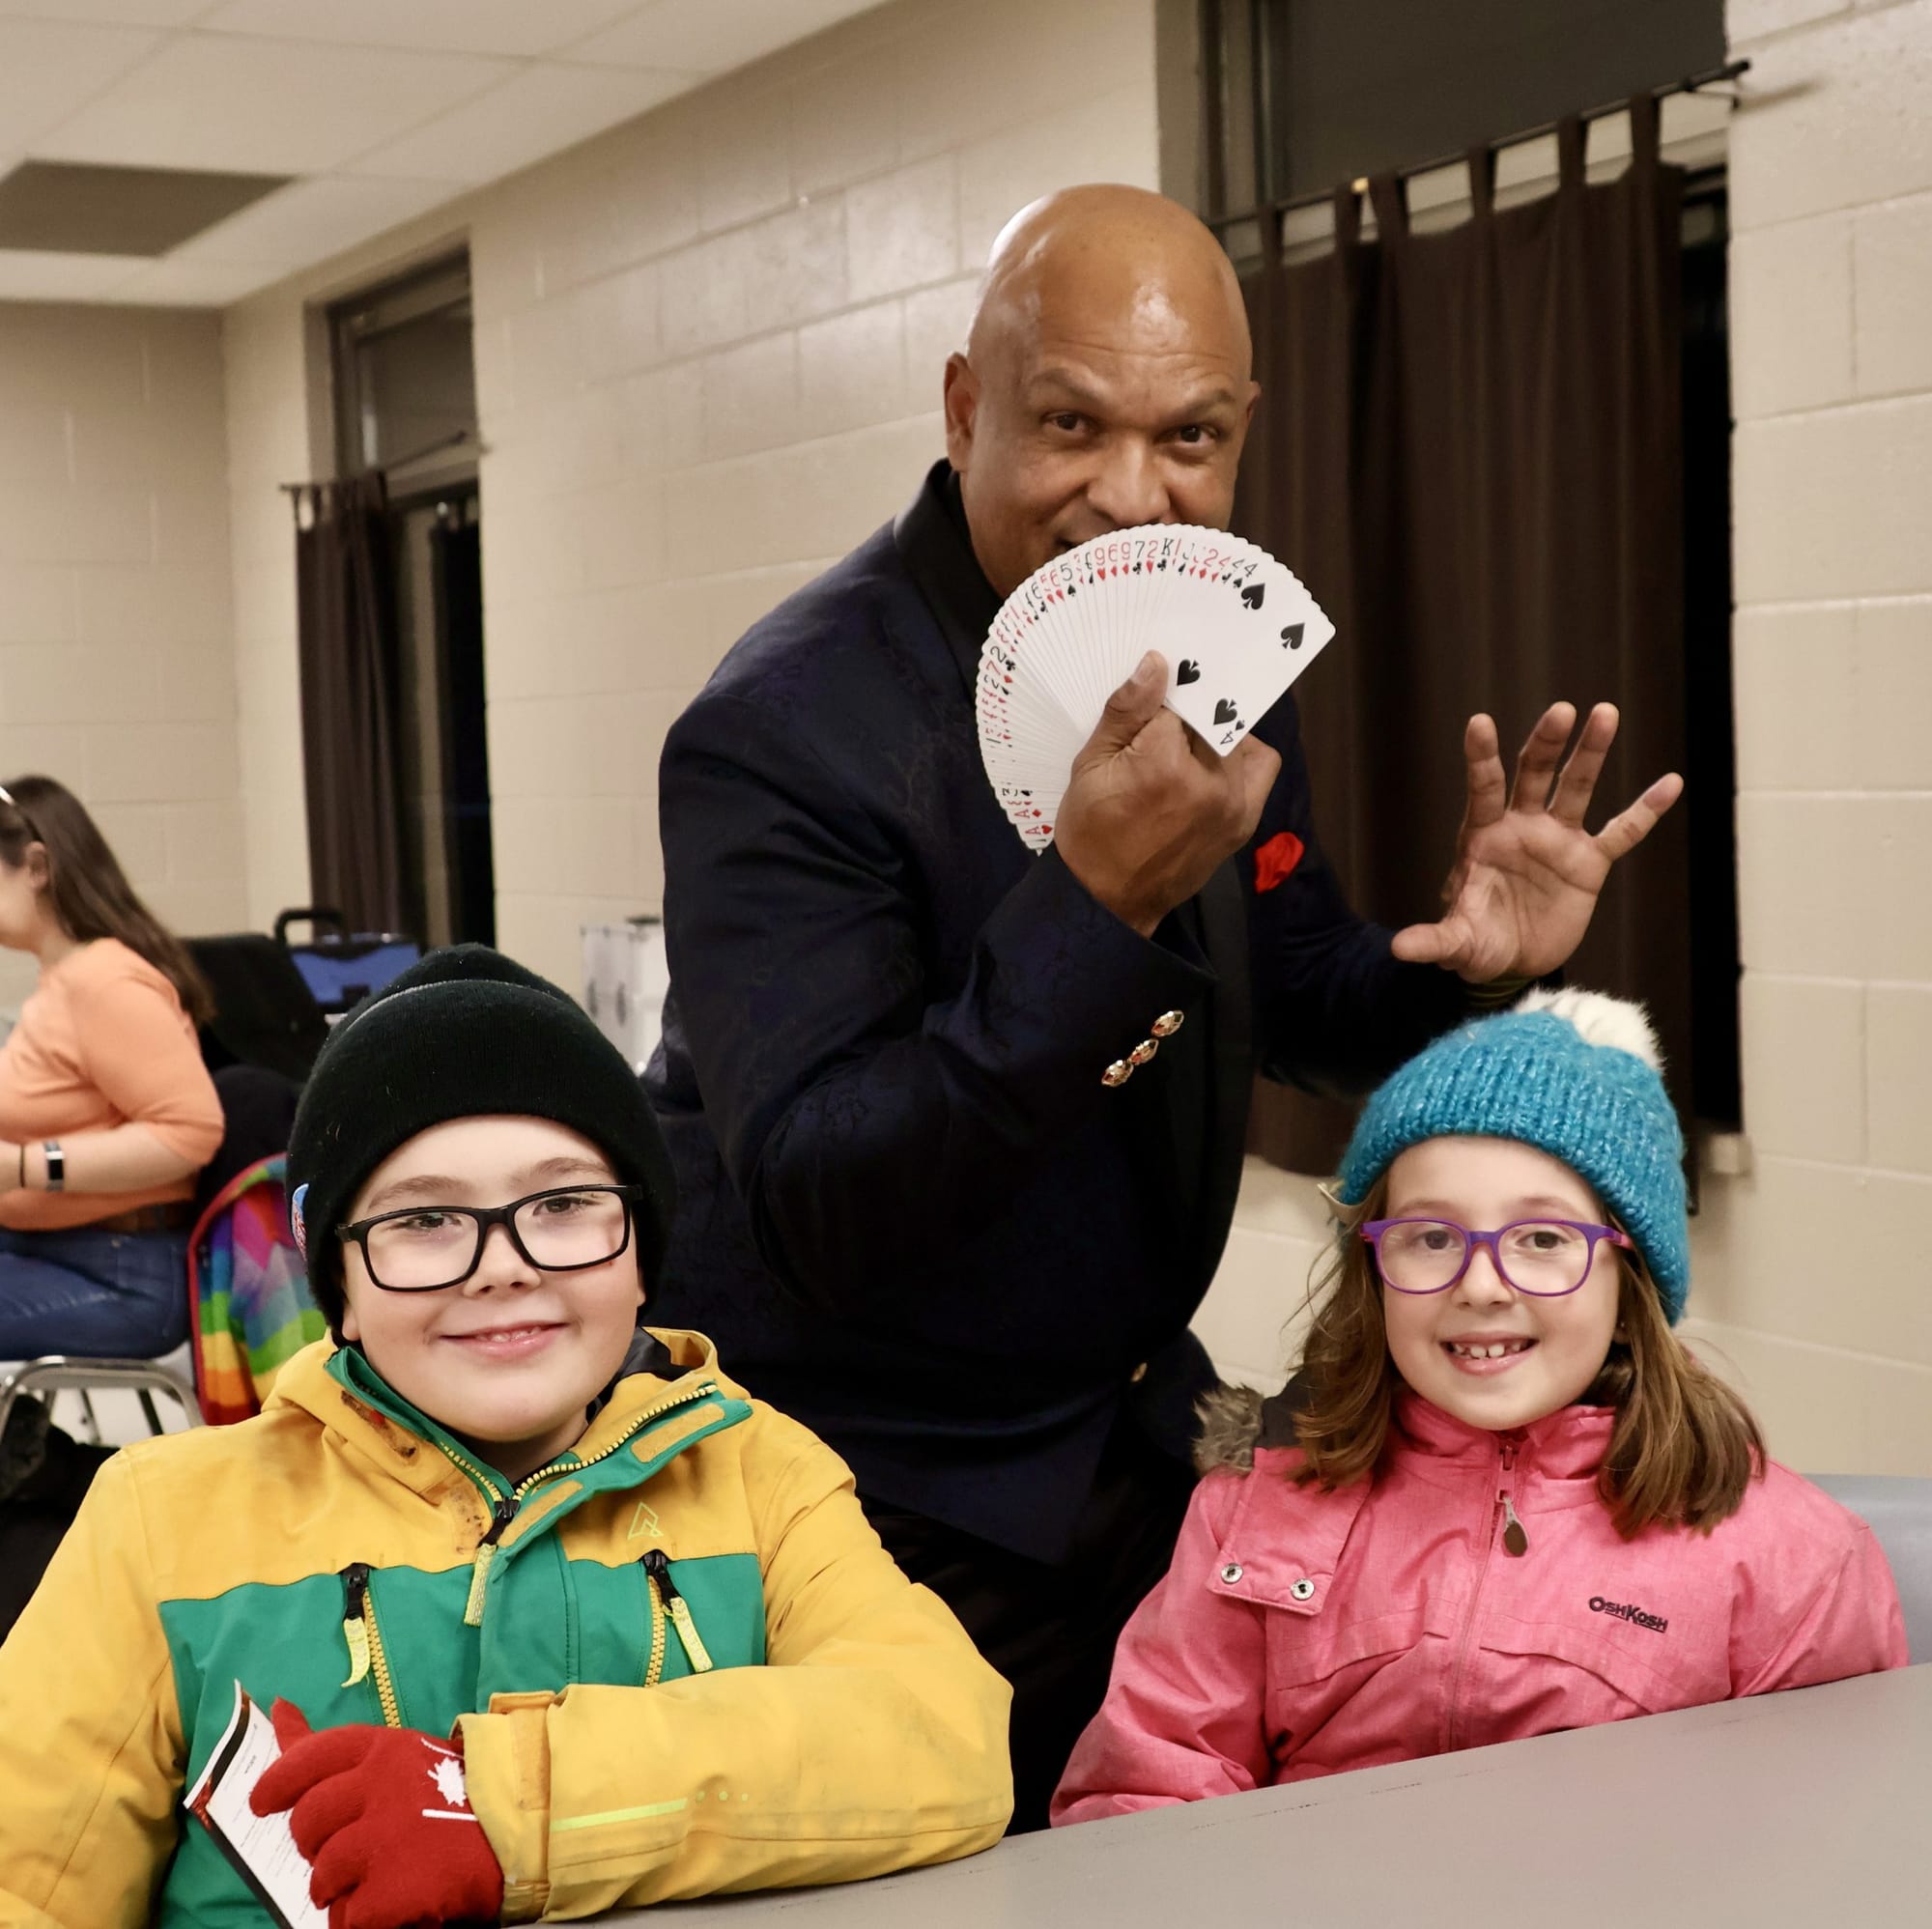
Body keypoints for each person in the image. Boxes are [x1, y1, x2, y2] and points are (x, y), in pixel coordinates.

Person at [645, 183, 1683, 1829]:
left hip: (1140, 1430)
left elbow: (1304, 996)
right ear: (967, 405)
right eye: (1070, 423)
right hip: (867, 1487)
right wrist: (1102, 901)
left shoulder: (1205, 645)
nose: (1131, 498)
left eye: (1190, 437)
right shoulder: (782, 729)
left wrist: (1478, 957)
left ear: (1247, 427)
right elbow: (823, 1199)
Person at [0, 947, 1011, 1927]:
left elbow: (945, 1738)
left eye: (564, 1203)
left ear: (640, 1253)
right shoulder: (162, 1518)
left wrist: (501, 1807)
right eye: (425, 1219)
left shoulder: (758, 1471)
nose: (502, 1266)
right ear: (338, 1289)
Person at [1051, 989, 1907, 1819]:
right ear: (1371, 1269)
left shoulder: (1794, 1558)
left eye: (1543, 1239)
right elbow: (1148, 1785)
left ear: (1631, 1273)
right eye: (1430, 1237)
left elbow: (1825, 1845)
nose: (1483, 1284)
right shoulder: (1259, 1502)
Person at [0, 776, 222, 1359]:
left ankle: (51, 1451)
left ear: (37, 867)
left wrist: (24, 1166)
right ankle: (48, 1449)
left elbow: (191, 1132)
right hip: (50, 1247)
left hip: (120, 1274)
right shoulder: (64, 980)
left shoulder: (105, 981)